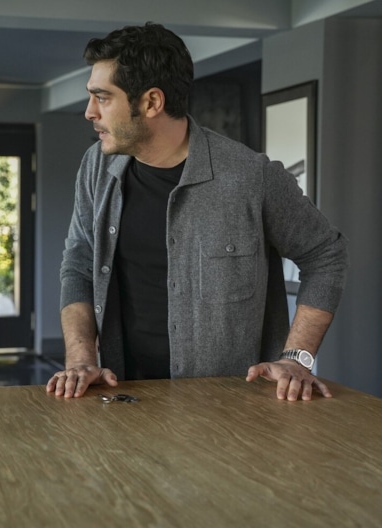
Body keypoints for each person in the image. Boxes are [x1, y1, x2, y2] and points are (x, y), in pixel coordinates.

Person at [46, 23, 348, 403]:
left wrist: (297, 358)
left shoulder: (251, 176)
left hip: (230, 408)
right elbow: (79, 262)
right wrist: (80, 360)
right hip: (123, 396)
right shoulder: (97, 167)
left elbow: (325, 254)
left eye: (102, 98)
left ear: (151, 102)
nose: (90, 112)